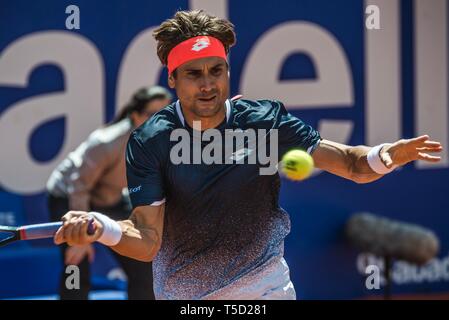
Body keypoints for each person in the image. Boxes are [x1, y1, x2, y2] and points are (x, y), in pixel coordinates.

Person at [53, 10, 443, 300]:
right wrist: (102, 227)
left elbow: (354, 165)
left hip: (268, 290)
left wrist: (386, 155)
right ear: (172, 79)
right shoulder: (150, 141)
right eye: (193, 74)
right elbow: (148, 239)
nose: (208, 85)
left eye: (216, 71)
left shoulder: (264, 121)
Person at [47, 86, 172, 299]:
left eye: (165, 113)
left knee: (143, 262)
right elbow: (78, 185)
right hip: (70, 197)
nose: (160, 120)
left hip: (111, 198)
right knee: (76, 265)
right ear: (135, 116)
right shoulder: (107, 142)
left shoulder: (167, 140)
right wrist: (79, 236)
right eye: (152, 114)